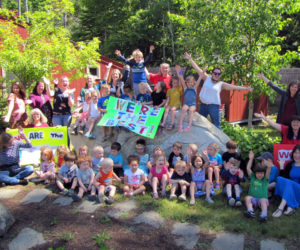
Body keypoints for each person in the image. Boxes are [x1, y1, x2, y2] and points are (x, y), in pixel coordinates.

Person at [184, 52, 253, 129]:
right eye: (215, 73)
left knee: (216, 126)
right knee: (200, 124)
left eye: (218, 74)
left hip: (214, 106)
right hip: (203, 105)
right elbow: (197, 69)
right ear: (212, 73)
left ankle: (220, 141)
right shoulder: (207, 78)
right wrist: (190, 59)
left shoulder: (221, 84)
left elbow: (234, 87)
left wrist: (246, 88)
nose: (217, 75)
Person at [272, 144, 300, 218]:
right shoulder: (290, 164)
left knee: (289, 183)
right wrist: (281, 166)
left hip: (298, 189)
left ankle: (280, 208)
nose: (297, 155)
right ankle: (290, 207)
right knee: (279, 179)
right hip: (289, 188)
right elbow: (284, 178)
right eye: (295, 153)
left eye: (299, 153)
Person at [244, 151, 272, 222]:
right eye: (258, 173)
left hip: (262, 199)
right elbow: (248, 168)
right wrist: (251, 159)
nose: (260, 175)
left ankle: (264, 214)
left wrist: (269, 166)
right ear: (255, 173)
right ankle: (250, 211)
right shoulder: (253, 177)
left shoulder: (265, 180)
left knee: (263, 201)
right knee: (247, 198)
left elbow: (268, 172)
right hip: (253, 198)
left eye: (262, 173)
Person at [176, 64, 204, 132]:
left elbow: (200, 77)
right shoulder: (185, 88)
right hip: (186, 103)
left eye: (191, 82)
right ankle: (180, 125)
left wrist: (203, 71)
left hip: (193, 104)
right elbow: (181, 78)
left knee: (191, 111)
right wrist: (179, 71)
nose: (190, 84)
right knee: (183, 109)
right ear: (186, 83)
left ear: (194, 83)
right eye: (188, 82)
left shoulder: (194, 88)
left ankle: (189, 125)